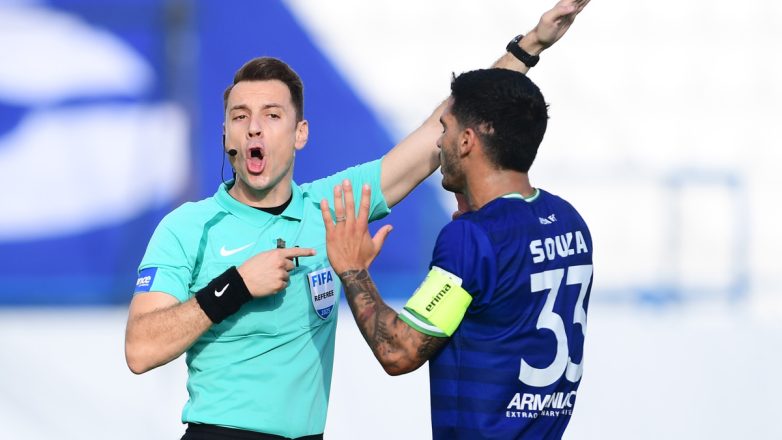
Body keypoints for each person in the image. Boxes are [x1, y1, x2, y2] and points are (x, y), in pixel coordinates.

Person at [124, 1, 588, 438]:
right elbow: (140, 349)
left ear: (300, 133)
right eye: (239, 116)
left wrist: (528, 47)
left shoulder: (332, 206)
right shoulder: (188, 227)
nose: (254, 127)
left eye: (271, 115)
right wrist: (236, 286)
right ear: (226, 133)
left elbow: (443, 129)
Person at [320, 44, 592, 440]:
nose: (438, 142)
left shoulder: (472, 238)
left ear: (466, 141)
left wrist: (352, 269)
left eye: (444, 129)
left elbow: (399, 351)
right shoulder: (569, 221)